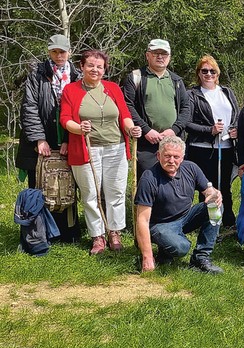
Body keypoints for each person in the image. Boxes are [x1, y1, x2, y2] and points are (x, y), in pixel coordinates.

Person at [60, 50, 142, 254]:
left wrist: (131, 129)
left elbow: (124, 114)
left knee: (116, 192)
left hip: (116, 148)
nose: (95, 69)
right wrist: (79, 128)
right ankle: (98, 236)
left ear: (105, 69)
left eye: (99, 66)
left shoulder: (113, 88)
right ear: (82, 67)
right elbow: (65, 119)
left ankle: (115, 232)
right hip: (87, 149)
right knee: (91, 195)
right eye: (90, 65)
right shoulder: (71, 90)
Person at [16, 34, 82, 242]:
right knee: (39, 186)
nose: (58, 55)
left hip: (68, 137)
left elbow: (79, 110)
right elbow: (29, 107)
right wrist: (39, 138)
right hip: (41, 139)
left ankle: (68, 234)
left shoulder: (77, 76)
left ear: (69, 52)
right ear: (49, 52)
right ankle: (38, 233)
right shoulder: (37, 74)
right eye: (54, 51)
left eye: (62, 51)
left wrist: (69, 140)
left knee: (68, 184)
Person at [135, 136, 223, 273]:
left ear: (182, 157)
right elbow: (142, 219)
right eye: (167, 156)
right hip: (159, 225)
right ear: (158, 156)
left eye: (176, 157)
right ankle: (164, 250)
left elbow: (209, 190)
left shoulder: (191, 168)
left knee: (215, 206)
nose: (171, 161)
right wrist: (147, 257)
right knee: (181, 247)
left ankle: (201, 258)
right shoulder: (149, 178)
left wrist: (215, 194)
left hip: (185, 218)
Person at [122, 39, 191, 180]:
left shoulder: (176, 81)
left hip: (173, 142)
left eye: (164, 54)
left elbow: (186, 108)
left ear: (169, 57)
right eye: (156, 53)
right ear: (147, 55)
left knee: (172, 183)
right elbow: (128, 106)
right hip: (146, 144)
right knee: (148, 181)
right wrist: (146, 130)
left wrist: (174, 130)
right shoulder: (136, 77)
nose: (160, 57)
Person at [185, 55, 239, 227]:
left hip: (226, 146)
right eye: (205, 71)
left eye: (212, 71)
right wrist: (210, 130)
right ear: (199, 74)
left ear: (218, 74)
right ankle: (207, 220)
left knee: (224, 184)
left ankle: (228, 218)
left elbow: (236, 115)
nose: (209, 74)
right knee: (206, 186)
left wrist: (234, 129)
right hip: (201, 147)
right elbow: (186, 123)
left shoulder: (227, 92)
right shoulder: (192, 94)